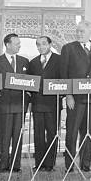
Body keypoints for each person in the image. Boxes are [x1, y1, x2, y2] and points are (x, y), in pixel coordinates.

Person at [60, 20, 91, 172]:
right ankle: (69, 164)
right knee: (71, 132)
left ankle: (85, 164)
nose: (78, 34)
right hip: (75, 99)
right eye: (77, 31)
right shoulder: (68, 48)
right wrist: (68, 94)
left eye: (82, 31)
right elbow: (64, 73)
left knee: (87, 132)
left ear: (90, 33)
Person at [0, 33, 30, 173]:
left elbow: (30, 82)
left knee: (18, 136)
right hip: (4, 106)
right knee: (4, 136)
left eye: (19, 43)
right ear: (7, 44)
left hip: (20, 106)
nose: (19, 46)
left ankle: (16, 165)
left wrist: (27, 97)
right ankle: (4, 164)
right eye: (16, 43)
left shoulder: (25, 62)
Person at [27, 36, 61, 172]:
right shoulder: (33, 62)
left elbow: (64, 79)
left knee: (52, 133)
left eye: (44, 44)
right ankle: (39, 162)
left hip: (53, 104)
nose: (41, 47)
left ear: (50, 44)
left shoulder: (60, 60)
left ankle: (50, 163)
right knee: (38, 134)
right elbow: (30, 84)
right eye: (38, 45)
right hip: (37, 104)